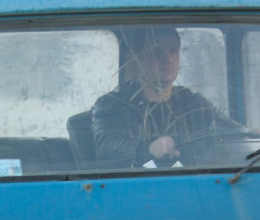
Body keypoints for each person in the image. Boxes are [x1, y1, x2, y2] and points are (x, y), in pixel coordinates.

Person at [89, 26, 245, 168]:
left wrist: (255, 135)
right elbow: (106, 146)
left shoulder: (194, 103)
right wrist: (148, 147)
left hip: (195, 186)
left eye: (173, 51)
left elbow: (229, 129)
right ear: (137, 58)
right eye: (157, 52)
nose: (168, 60)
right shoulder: (112, 105)